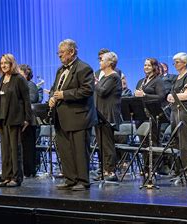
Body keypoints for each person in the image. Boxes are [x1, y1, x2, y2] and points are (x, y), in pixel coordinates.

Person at [49, 39, 97, 191]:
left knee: (80, 151)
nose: (59, 56)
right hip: (62, 117)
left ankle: (83, 181)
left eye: (62, 53)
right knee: (65, 151)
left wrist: (64, 95)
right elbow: (54, 88)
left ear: (71, 52)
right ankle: (70, 179)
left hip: (79, 117)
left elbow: (87, 90)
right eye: (59, 53)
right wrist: (52, 97)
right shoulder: (60, 70)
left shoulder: (84, 68)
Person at [0, 54, 32, 187]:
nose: (3, 65)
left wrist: (27, 118)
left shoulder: (19, 79)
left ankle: (16, 178)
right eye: (2, 63)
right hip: (2, 120)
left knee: (15, 150)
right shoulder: (1, 80)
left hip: (15, 119)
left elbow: (26, 100)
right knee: (5, 150)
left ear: (12, 64)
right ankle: (6, 176)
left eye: (6, 63)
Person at [166, 52, 187, 178]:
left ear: (184, 63)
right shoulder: (177, 77)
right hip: (174, 110)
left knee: (184, 141)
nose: (175, 64)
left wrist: (173, 96)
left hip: (183, 111)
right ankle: (177, 169)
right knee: (175, 141)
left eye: (177, 62)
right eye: (174, 62)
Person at [94, 52, 122, 181]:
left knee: (107, 144)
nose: (100, 62)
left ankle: (111, 171)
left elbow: (102, 91)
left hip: (108, 114)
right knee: (101, 144)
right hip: (100, 113)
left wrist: (95, 83)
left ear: (110, 63)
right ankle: (104, 170)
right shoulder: (104, 78)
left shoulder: (113, 77)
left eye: (102, 60)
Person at [135, 58, 165, 145]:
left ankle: (155, 159)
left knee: (153, 142)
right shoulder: (141, 81)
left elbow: (161, 97)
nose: (146, 67)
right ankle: (145, 159)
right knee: (143, 142)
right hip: (141, 114)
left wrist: (145, 95)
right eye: (145, 65)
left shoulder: (158, 80)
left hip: (153, 115)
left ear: (154, 67)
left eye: (149, 65)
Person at [19, 64, 39, 177]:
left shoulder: (30, 85)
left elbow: (32, 99)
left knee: (28, 147)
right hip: (21, 120)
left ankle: (29, 171)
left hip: (29, 121)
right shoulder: (22, 85)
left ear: (25, 74)